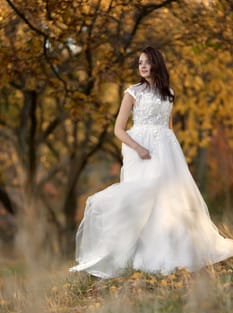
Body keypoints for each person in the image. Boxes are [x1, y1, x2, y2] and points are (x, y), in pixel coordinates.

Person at [69, 46, 233, 278]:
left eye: (147, 62)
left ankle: (175, 248)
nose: (142, 66)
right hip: (140, 149)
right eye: (139, 63)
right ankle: (135, 251)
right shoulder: (132, 92)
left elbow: (168, 127)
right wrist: (138, 148)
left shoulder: (169, 93)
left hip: (166, 148)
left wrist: (172, 150)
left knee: (170, 196)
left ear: (157, 63)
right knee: (143, 196)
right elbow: (118, 129)